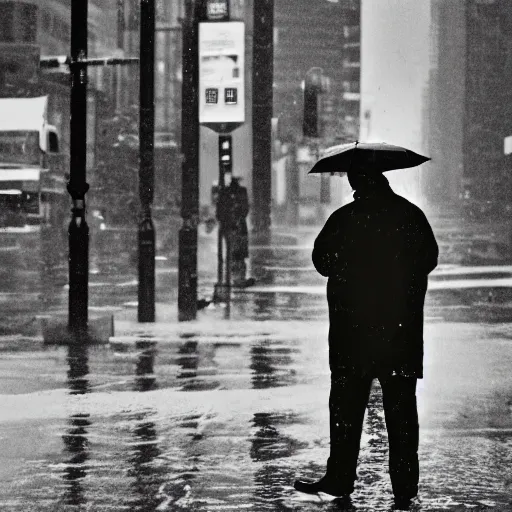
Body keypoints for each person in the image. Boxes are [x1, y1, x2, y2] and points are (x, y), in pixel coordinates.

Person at [294, 168, 438, 510]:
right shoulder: (410, 215)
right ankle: (404, 486)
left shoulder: (344, 219)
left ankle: (340, 478)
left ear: (357, 183)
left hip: (352, 333)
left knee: (346, 408)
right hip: (399, 333)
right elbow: (428, 259)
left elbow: (321, 260)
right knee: (402, 411)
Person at [216, 176, 251, 287]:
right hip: (237, 225)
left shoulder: (225, 192)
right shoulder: (241, 192)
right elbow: (245, 208)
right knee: (238, 250)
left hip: (229, 225)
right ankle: (237, 273)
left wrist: (225, 219)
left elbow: (219, 210)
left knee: (231, 249)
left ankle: (233, 272)